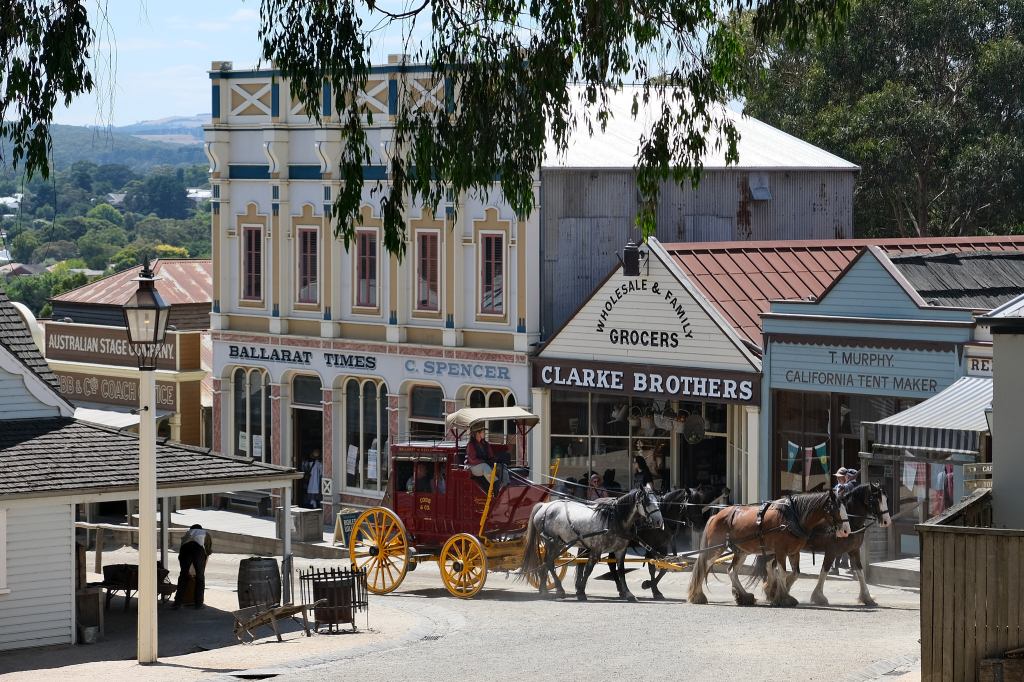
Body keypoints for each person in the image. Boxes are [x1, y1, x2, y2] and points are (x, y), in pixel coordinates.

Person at [173, 524, 212, 609]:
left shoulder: (187, 533)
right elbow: (208, 550)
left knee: (183, 577)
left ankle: (177, 603)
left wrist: (185, 569)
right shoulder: (205, 533)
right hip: (198, 551)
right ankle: (198, 604)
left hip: (185, 550)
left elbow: (181, 553)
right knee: (200, 578)